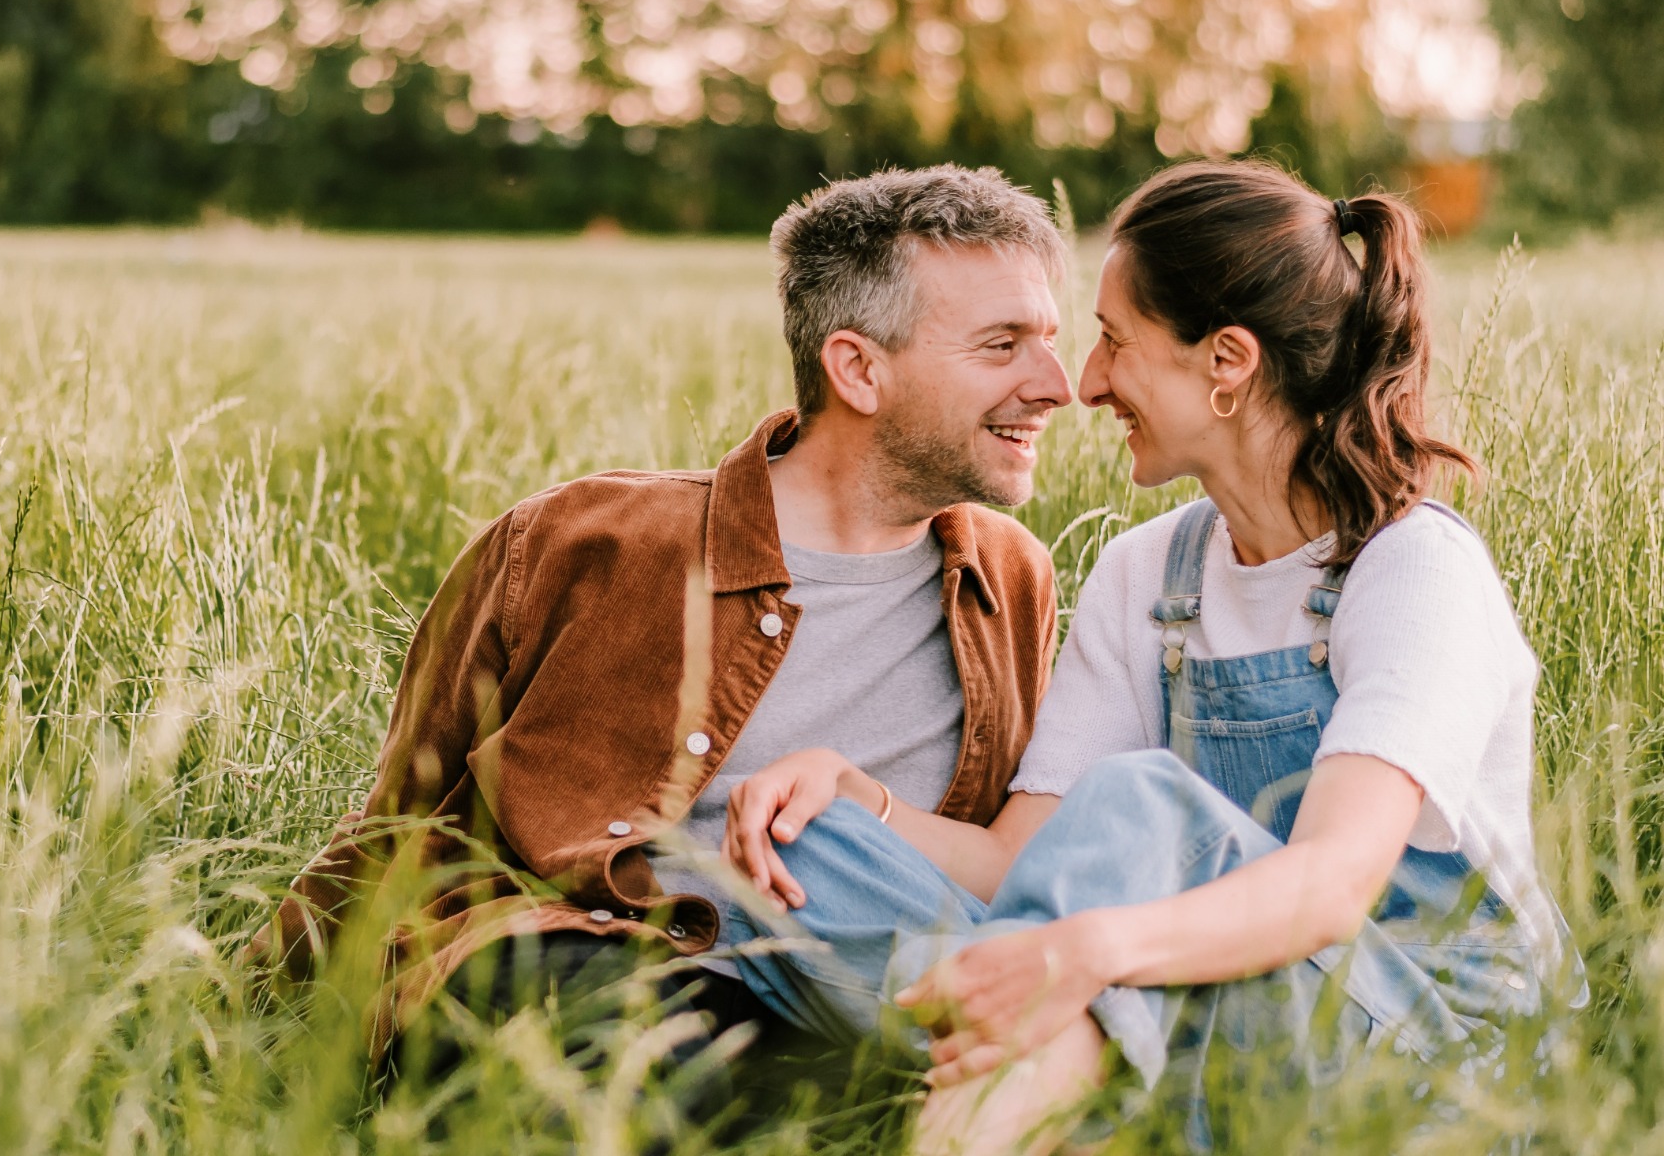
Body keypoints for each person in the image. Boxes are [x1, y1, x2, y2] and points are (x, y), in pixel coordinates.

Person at [718, 159, 1586, 1153]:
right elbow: (1018, 865)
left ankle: (1003, 1089)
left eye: (1112, 342)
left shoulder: (1411, 572)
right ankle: (1060, 1062)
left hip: (1430, 1058)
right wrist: (854, 794)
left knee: (1140, 807)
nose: (1084, 385)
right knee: (804, 852)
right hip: (1198, 988)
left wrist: (1084, 951)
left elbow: (1331, 884)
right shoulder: (1148, 575)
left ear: (1226, 362)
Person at [247, 164, 1076, 1086]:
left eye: (1049, 340)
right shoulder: (576, 542)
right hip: (594, 968)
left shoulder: (1008, 579)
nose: (1057, 384)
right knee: (557, 1008)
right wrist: (239, 1019)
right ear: (857, 369)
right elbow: (402, 819)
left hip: (849, 1001)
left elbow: (1003, 862)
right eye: (1003, 346)